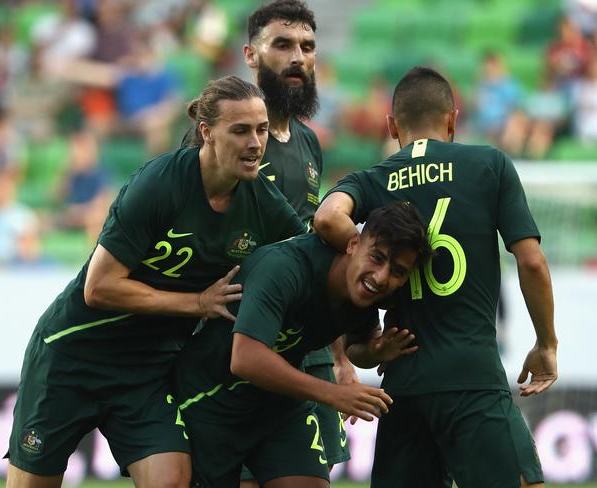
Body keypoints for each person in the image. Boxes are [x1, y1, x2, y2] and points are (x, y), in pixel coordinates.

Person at [5, 75, 305, 488]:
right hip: (72, 356)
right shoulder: (161, 182)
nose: (255, 143)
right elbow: (100, 287)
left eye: (262, 129)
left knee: (171, 480)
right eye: (240, 130)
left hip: (145, 373)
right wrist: (197, 304)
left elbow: (312, 261)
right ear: (207, 133)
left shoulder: (265, 205)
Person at [314, 66, 557, 488]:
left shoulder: (371, 180)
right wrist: (546, 343)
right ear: (452, 119)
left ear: (391, 126)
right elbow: (532, 262)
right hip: (471, 378)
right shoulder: (489, 164)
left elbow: (326, 217)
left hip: (403, 388)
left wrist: (362, 254)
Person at [175, 202, 432, 488]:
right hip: (211, 398)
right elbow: (245, 358)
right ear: (353, 244)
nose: (381, 277)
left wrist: (375, 351)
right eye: (376, 257)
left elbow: (357, 345)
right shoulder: (284, 267)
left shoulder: (367, 294)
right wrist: (334, 394)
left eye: (397, 271)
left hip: (279, 404)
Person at [241, 2, 357, 482]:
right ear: (251, 54)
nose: (297, 57)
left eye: (307, 47)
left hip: (306, 348)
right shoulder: (231, 132)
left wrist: (341, 356)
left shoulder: (309, 142)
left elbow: (316, 254)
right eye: (283, 45)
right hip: (241, 346)